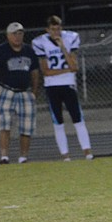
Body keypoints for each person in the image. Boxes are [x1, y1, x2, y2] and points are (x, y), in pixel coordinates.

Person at [32, 15, 93, 161]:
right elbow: (46, 71)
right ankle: (65, 155)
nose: (56, 32)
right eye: (53, 29)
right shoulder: (39, 42)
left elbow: (75, 66)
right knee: (58, 121)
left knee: (78, 118)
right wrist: (66, 70)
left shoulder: (70, 38)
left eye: (58, 29)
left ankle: (88, 153)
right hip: (52, 86)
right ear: (47, 30)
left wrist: (63, 48)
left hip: (68, 84)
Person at [0, 22, 40, 164]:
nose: (17, 37)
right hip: (6, 90)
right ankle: (4, 156)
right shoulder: (2, 50)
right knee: (5, 124)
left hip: (24, 92)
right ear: (8, 36)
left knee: (26, 127)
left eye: (20, 34)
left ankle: (23, 157)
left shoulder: (29, 51)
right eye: (14, 34)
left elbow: (34, 72)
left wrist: (34, 91)